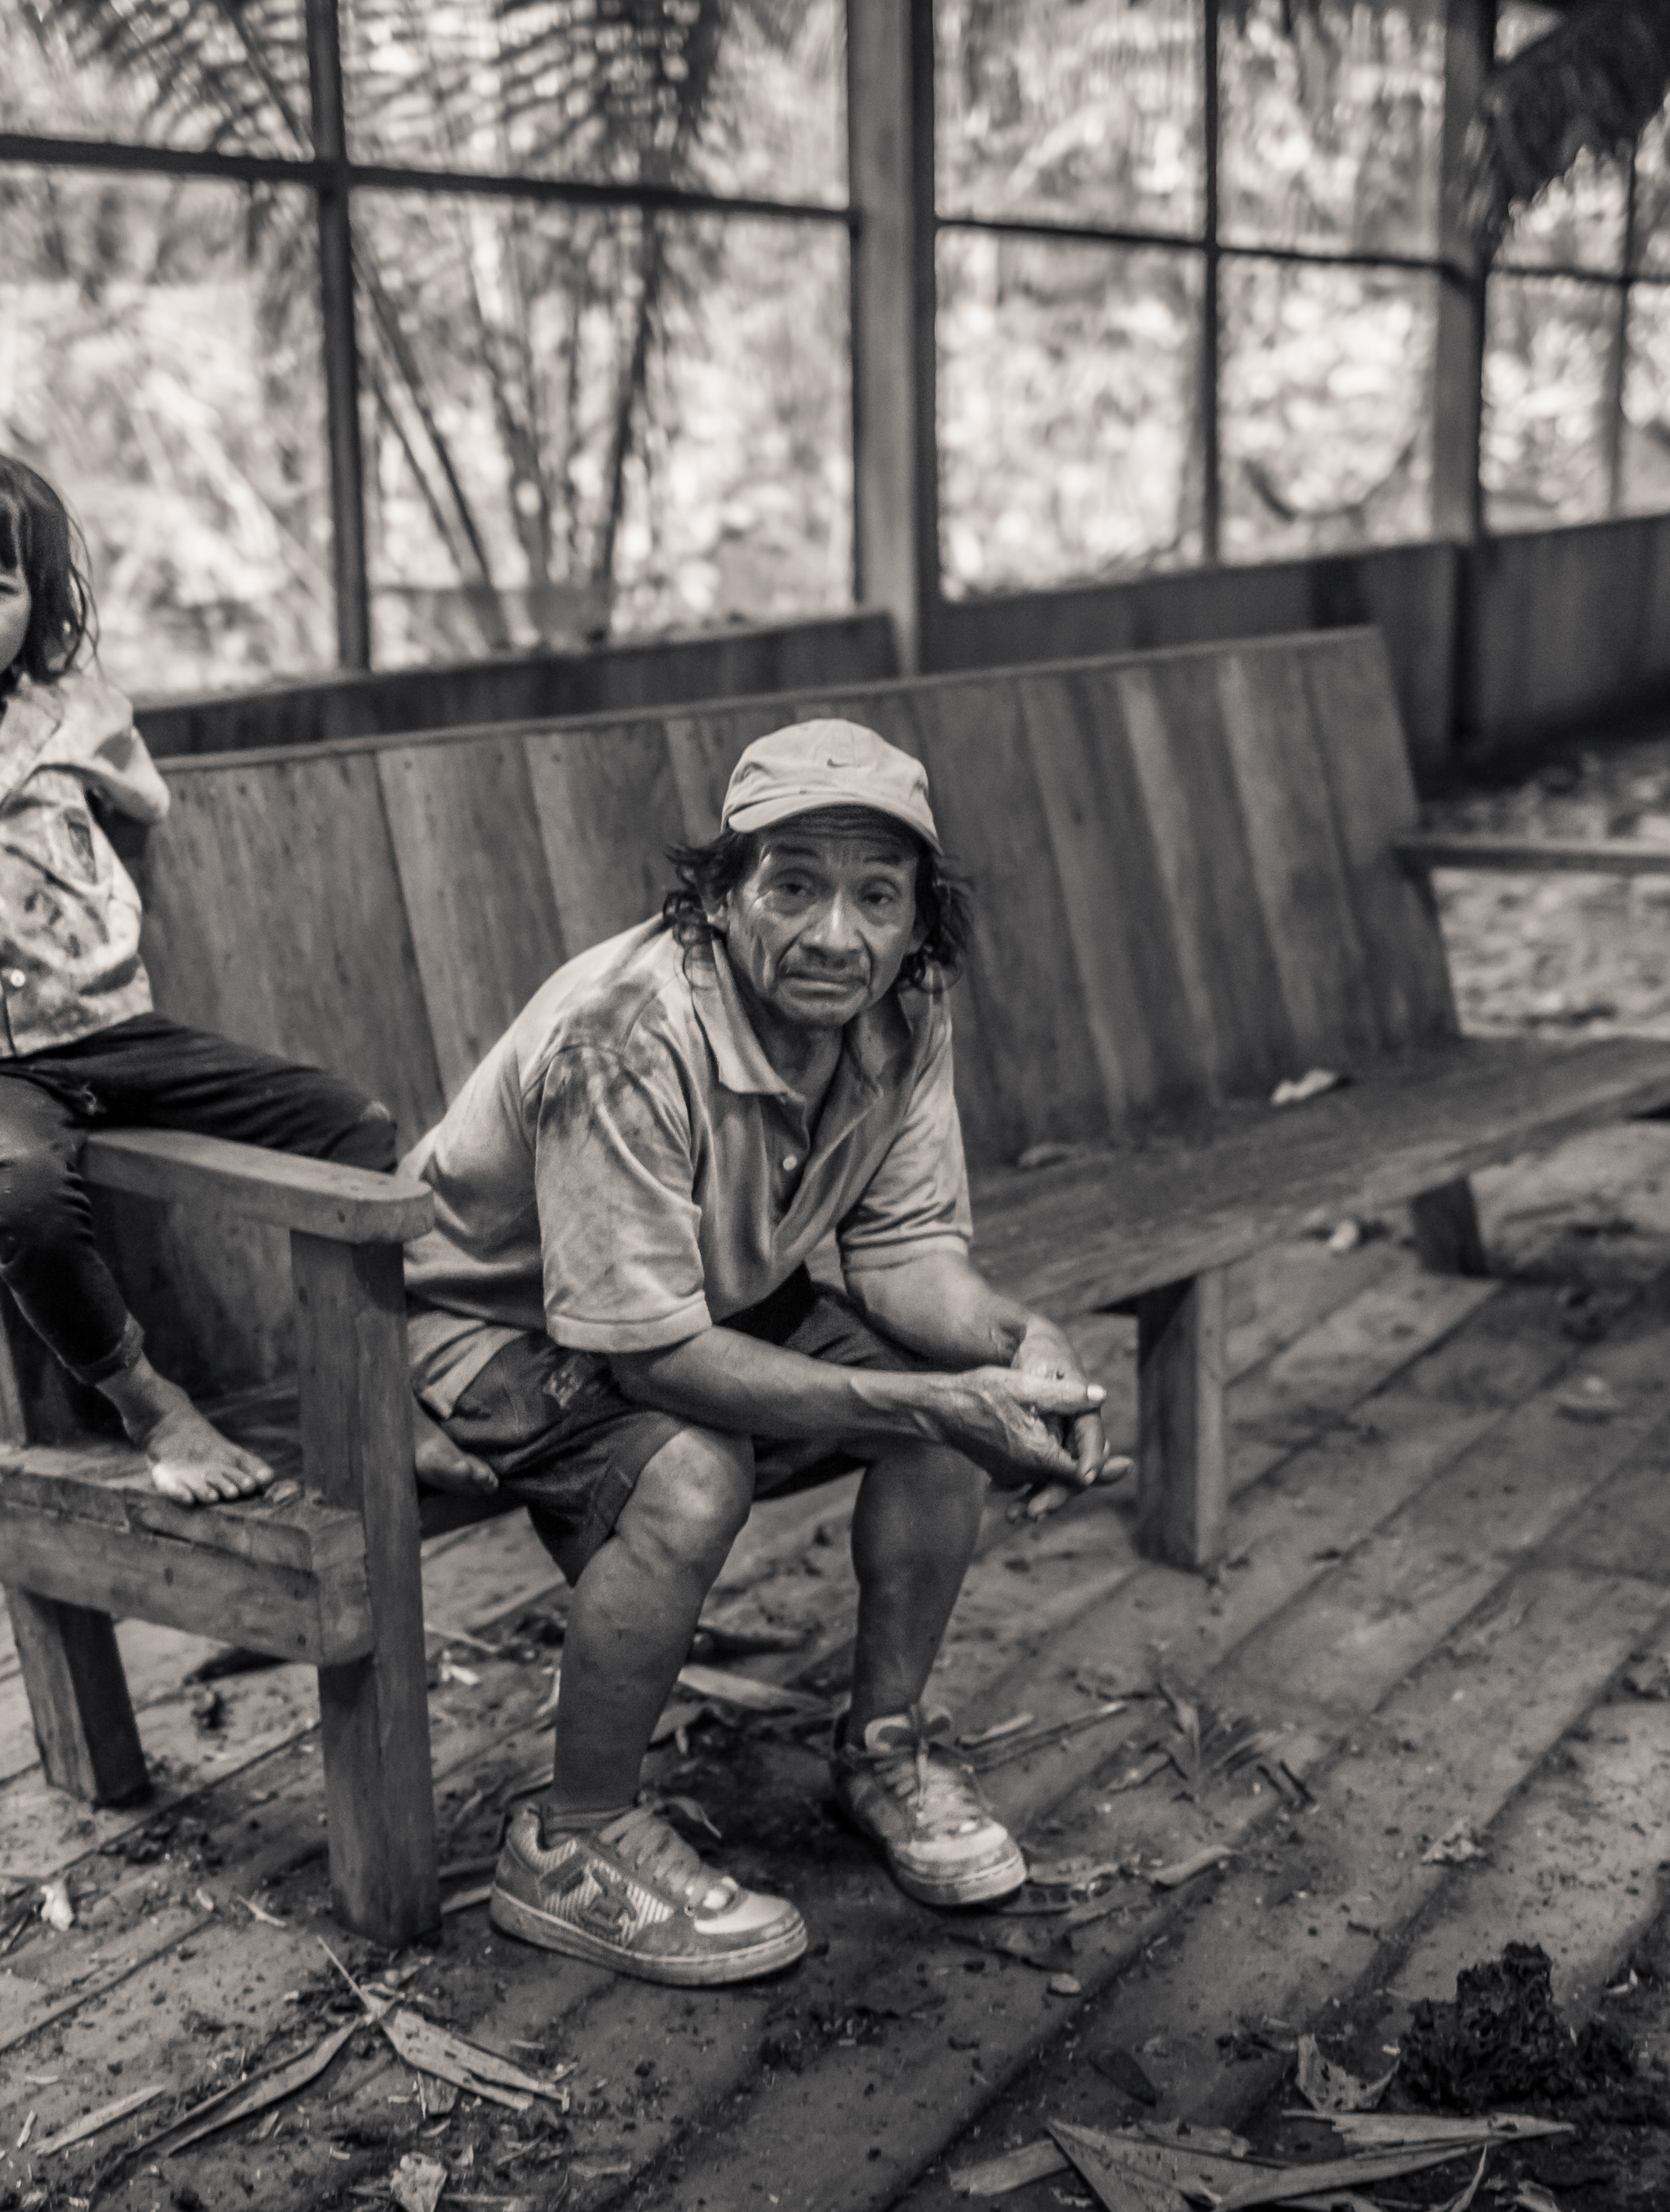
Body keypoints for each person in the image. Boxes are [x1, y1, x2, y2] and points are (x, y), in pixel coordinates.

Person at [401, 717, 1129, 1986]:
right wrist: (925, 1402)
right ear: (722, 896)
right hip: (494, 1317)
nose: (835, 934)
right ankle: (569, 1842)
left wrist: (1024, 1345)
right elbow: (650, 1359)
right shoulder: (624, 1036)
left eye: (876, 896)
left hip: (706, 1286)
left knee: (959, 1411)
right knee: (698, 1477)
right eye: (792, 886)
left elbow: (904, 1258)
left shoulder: (900, 1011)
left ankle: (883, 1750)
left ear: (919, 924)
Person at [0, 446, 399, 1504]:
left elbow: (138, 820)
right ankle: (150, 1404)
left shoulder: (76, 717)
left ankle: (384, 1396)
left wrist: (95, 928)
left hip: (114, 1030)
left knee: (355, 1128)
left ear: (37, 606)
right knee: (25, 1201)